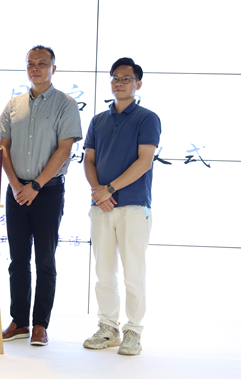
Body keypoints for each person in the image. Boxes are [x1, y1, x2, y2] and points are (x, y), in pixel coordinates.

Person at [0, 45, 82, 346]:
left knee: (44, 259)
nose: (35, 68)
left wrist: (36, 186)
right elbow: (3, 147)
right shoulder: (14, 104)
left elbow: (64, 150)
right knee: (17, 260)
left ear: (53, 69)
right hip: (16, 192)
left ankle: (40, 324)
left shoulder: (65, 104)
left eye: (42, 63)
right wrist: (16, 185)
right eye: (31, 63)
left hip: (48, 192)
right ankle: (19, 322)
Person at [82, 57, 161, 356]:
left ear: (138, 83)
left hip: (133, 207)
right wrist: (98, 193)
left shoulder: (147, 118)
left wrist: (110, 189)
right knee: (103, 273)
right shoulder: (98, 120)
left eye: (126, 78)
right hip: (101, 207)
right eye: (115, 78)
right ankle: (108, 328)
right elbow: (89, 160)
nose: (119, 83)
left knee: (133, 274)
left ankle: (133, 331)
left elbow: (145, 161)